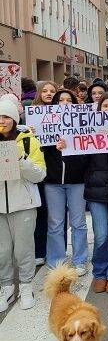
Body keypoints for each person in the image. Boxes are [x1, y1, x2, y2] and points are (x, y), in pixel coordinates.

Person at [58, 92, 108, 294]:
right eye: (105, 106)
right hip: (96, 192)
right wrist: (66, 150)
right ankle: (100, 272)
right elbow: (79, 164)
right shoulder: (89, 131)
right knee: (102, 235)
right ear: (99, 109)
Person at [0, 100, 46, 311]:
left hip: (24, 204)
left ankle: (26, 286)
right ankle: (6, 287)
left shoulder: (28, 141)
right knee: (2, 251)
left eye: (6, 117)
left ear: (14, 119)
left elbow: (40, 175)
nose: (2, 121)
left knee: (24, 249)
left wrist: (21, 159)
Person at [43, 90, 89, 275]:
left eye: (69, 100)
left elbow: (89, 149)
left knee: (78, 222)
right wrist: (52, 147)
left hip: (77, 181)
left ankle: (80, 260)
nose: (64, 103)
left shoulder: (82, 124)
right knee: (55, 223)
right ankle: (56, 260)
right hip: (53, 182)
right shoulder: (44, 125)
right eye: (60, 100)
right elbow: (38, 150)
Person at [31, 81, 59, 266]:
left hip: (56, 171)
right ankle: (39, 251)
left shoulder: (62, 113)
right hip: (39, 171)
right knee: (41, 213)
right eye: (45, 91)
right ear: (39, 93)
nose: (48, 93)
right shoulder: (31, 115)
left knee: (56, 215)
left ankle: (57, 251)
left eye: (52, 91)